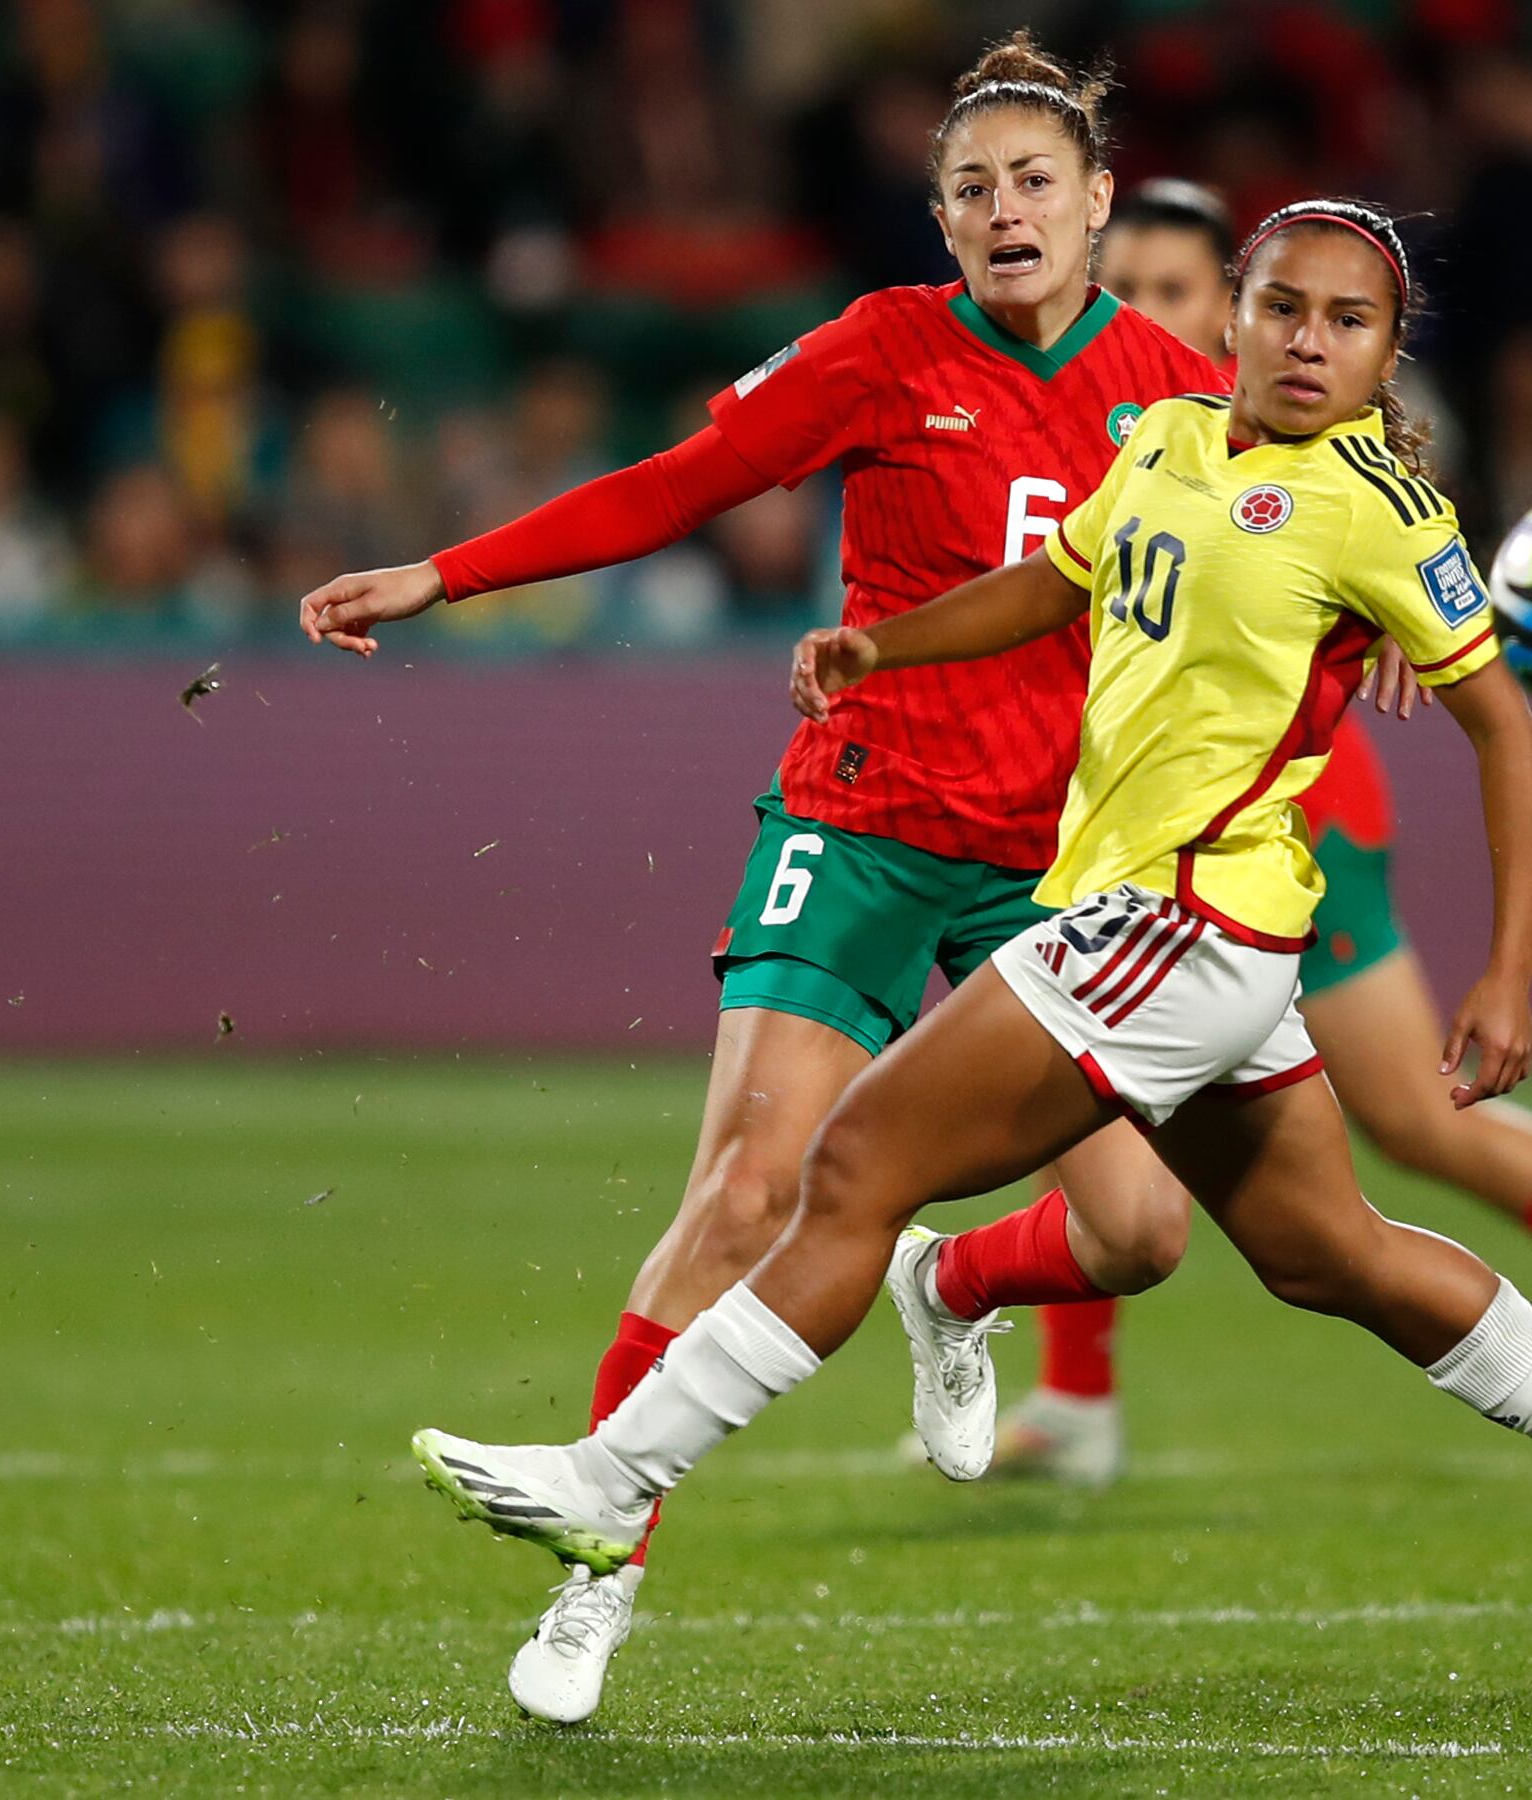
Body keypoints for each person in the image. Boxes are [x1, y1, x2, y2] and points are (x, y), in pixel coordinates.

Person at [410, 200, 1532, 1655]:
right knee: (1326, 1253)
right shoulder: (1166, 439)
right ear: (1233, 315)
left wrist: (1509, 974)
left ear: (1388, 353)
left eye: (1349, 323)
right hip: (1161, 925)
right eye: (1286, 308)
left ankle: (610, 1483)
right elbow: (1056, 584)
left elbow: (1510, 738)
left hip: (1186, 924)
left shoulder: (1382, 511)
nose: (1310, 343)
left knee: (853, 1166)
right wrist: (884, 644)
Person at [296, 34, 1223, 1723]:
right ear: (939, 219)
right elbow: (680, 485)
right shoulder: (883, 349)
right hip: (861, 823)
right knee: (744, 1195)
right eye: (971, 189)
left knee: (1144, 1231)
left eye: (1035, 182)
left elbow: (1290, 552)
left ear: (1099, 202)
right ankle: (599, 1573)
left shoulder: (1177, 395)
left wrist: (1403, 631)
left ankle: (947, 1283)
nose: (1005, 212)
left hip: (1053, 862)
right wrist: (446, 574)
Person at [966, 180, 1532, 1487]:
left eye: (1175, 290)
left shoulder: (1275, 424)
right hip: (1143, 814)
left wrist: (1395, 617)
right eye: (1130, 289)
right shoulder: (1127, 423)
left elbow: (1386, 490)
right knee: (1106, 1070)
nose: (1146, 314)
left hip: (1278, 823)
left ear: (1222, 307)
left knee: (1403, 1111)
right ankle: (1076, 1394)